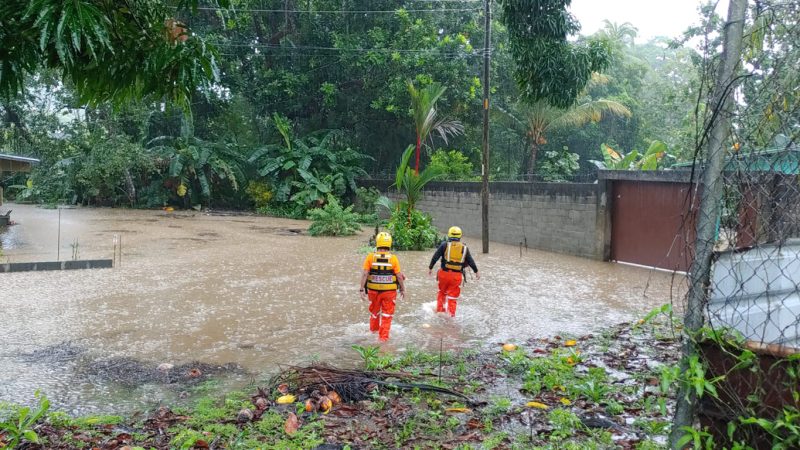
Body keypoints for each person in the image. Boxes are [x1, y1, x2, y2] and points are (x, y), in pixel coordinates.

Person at [359, 231, 406, 342]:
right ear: (389, 243)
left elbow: (365, 273)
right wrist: (403, 289)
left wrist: (361, 289)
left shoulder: (370, 257)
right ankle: (383, 339)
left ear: (377, 243)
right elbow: (399, 276)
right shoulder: (393, 259)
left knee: (374, 312)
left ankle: (373, 332)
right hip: (389, 293)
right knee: (387, 315)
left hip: (373, 292)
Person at [428, 226, 479, 317]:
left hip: (443, 274)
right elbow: (471, 261)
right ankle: (451, 317)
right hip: (456, 277)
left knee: (442, 293)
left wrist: (430, 267)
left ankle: (440, 312)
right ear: (460, 236)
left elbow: (435, 256)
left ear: (449, 235)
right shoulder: (464, 248)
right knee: (452, 298)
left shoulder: (444, 245)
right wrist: (476, 271)